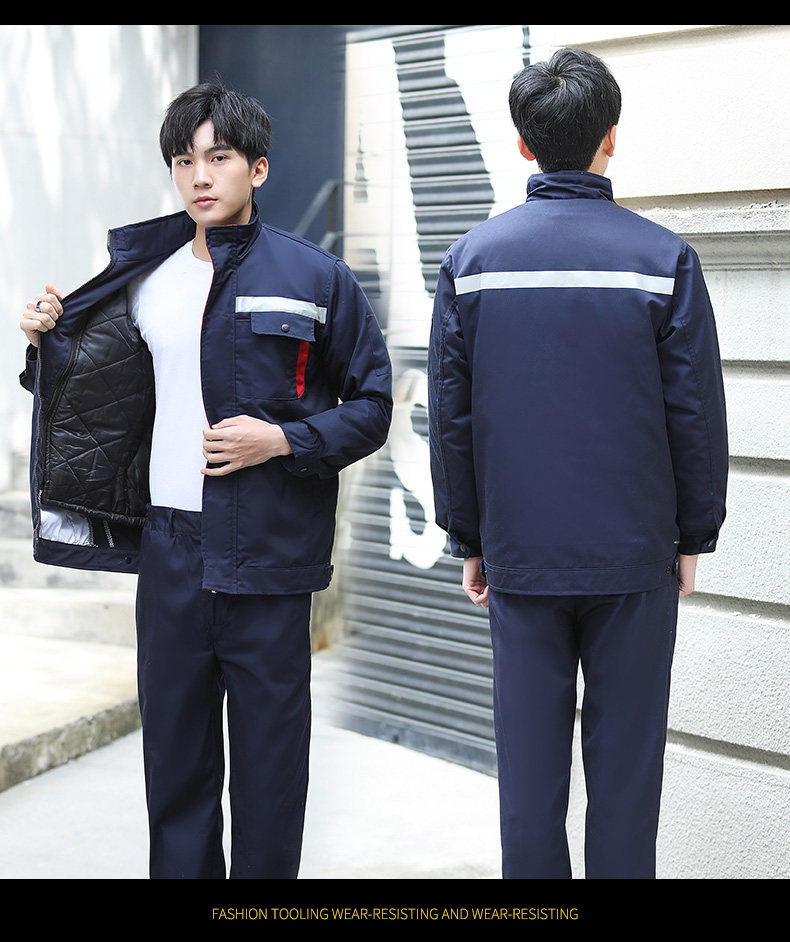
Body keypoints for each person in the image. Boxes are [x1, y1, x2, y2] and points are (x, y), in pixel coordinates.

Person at [19, 82, 392, 879]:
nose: (198, 176)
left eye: (217, 157)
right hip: (172, 552)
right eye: (183, 161)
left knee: (270, 779)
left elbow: (373, 407)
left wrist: (282, 440)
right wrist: (49, 337)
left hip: (270, 557)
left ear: (258, 168)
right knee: (177, 775)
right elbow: (96, 396)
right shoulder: (143, 278)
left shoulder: (317, 277)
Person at [427, 48, 727, 879]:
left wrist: (468, 536)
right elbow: (695, 415)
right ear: (611, 137)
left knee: (528, 783)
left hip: (521, 556)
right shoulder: (664, 260)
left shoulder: (471, 263)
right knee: (626, 781)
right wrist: (693, 535)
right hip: (635, 558)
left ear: (524, 145)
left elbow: (451, 418)